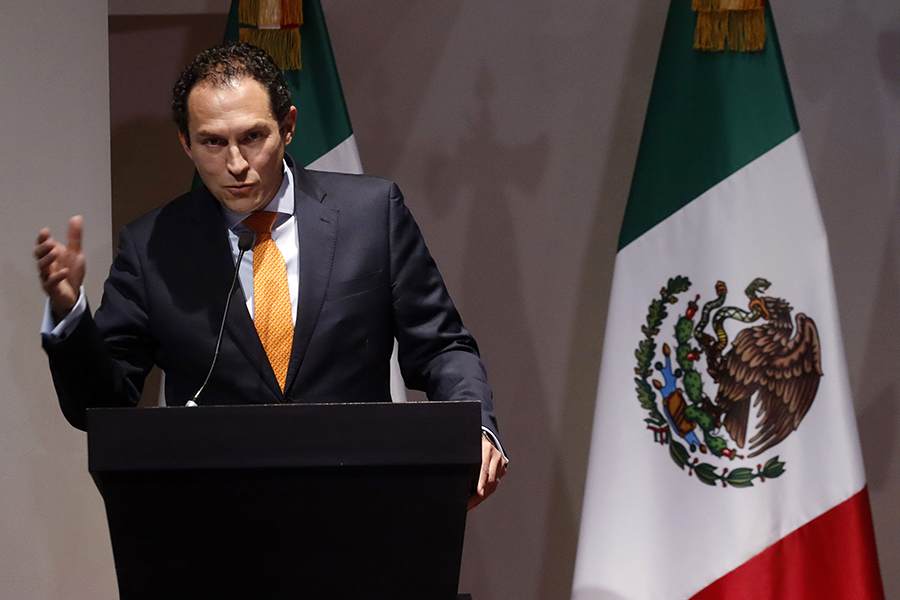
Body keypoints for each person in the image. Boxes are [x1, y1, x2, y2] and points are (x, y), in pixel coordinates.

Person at [35, 42, 505, 509]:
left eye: (253, 137)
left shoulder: (371, 214)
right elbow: (101, 407)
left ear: (288, 127)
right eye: (213, 142)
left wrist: (477, 428)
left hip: (363, 501)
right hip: (217, 519)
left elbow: (442, 346)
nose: (236, 164)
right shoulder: (151, 246)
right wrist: (69, 314)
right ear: (186, 143)